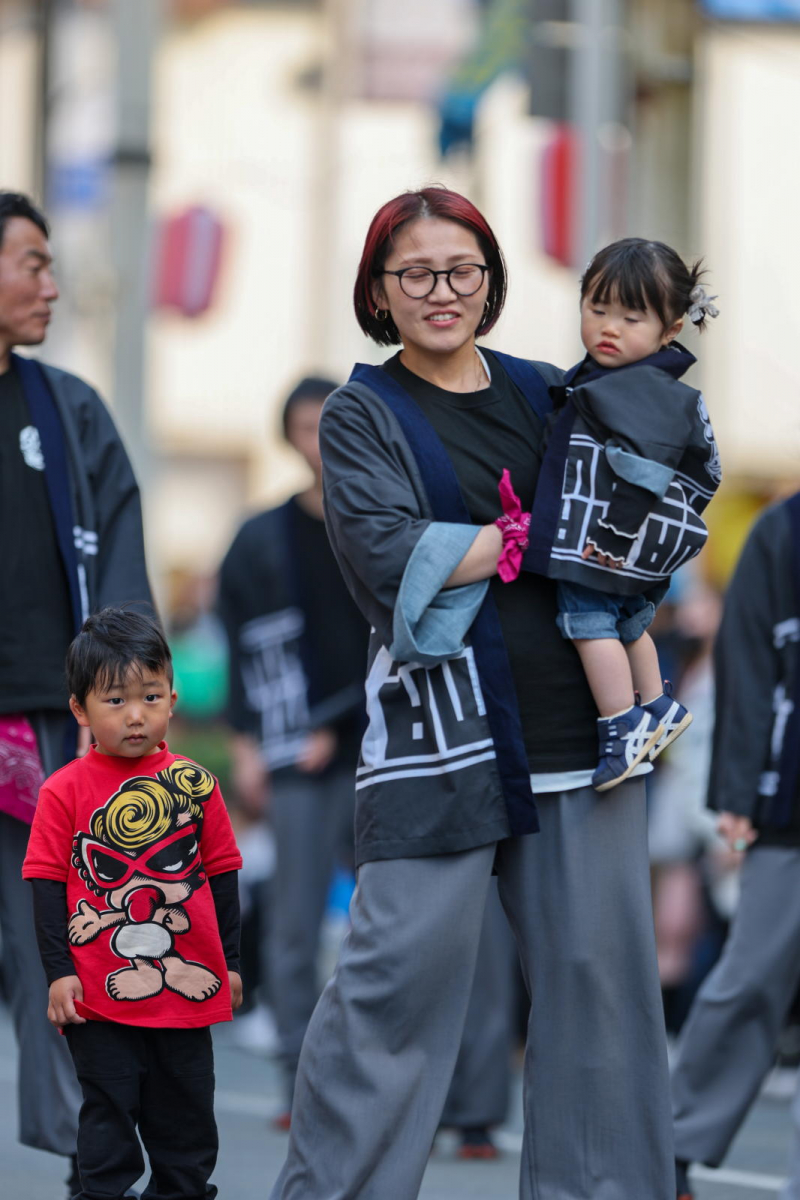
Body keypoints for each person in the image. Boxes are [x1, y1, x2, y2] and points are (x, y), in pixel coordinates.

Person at [268, 185, 676, 1200]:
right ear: (379, 290)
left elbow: (635, 510)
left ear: (489, 280)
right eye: (414, 273)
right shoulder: (363, 411)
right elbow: (377, 548)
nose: (440, 290)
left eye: (461, 270)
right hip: (438, 744)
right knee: (390, 990)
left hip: (583, 742)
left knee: (600, 999)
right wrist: (515, 540)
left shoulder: (551, 392)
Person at [0, 191, 152, 1197]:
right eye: (34, 264)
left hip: (50, 732)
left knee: (66, 952)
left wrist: (131, 698)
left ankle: (89, 1165)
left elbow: (125, 559)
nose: (53, 285)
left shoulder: (69, 409)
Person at [22, 607, 243, 1200]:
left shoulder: (197, 785)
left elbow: (222, 876)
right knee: (108, 1136)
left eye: (149, 696)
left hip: (187, 999)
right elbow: (45, 886)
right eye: (114, 700)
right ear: (80, 710)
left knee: (188, 1141)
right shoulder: (62, 790)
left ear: (173, 698)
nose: (136, 714)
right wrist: (58, 974)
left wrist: (233, 963)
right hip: (98, 1001)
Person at [518, 238, 721, 791]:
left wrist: (611, 533)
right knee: (629, 622)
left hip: (604, 539)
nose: (610, 327)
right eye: (597, 308)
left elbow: (647, 471)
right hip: (624, 544)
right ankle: (657, 706)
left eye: (632, 317)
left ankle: (621, 725)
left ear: (670, 330)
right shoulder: (624, 380)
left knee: (587, 622)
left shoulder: (642, 388)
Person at [217, 377, 368, 1121]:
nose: (316, 442)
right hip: (293, 760)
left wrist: (337, 726)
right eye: (304, 427)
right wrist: (247, 745)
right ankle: (299, 1084)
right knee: (294, 926)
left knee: (402, 925)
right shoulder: (260, 537)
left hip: (382, 749)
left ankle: (453, 1100)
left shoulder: (378, 518)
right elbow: (241, 646)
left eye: (327, 426)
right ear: (288, 436)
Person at [669, 493, 800, 1200]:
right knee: (749, 979)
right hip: (790, 798)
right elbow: (746, 664)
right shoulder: (782, 529)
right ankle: (675, 1142)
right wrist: (737, 792)